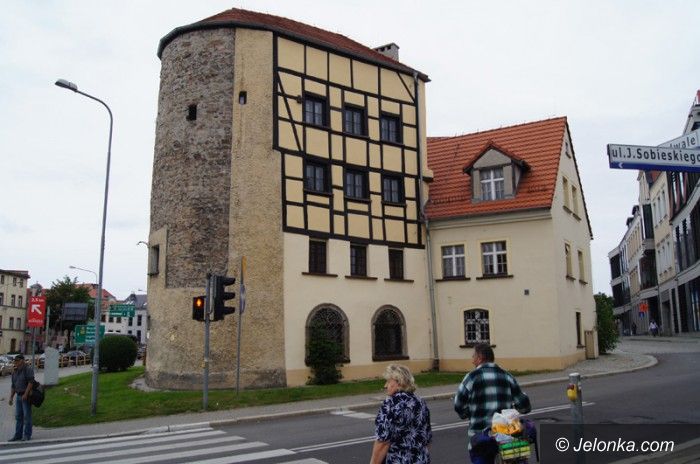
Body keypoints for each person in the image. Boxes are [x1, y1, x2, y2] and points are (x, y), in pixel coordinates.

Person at [454, 343, 531, 464]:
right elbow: (525, 407)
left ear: (480, 357)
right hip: (506, 440)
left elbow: (458, 405)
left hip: (480, 440)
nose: (472, 360)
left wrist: (470, 413)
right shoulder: (507, 376)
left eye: (473, 356)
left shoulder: (471, 378)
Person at [370, 364, 432, 463]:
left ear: (399, 383)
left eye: (388, 381)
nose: (385, 385)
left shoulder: (391, 404)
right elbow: (427, 438)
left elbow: (383, 442)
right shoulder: (420, 402)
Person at [8, 354, 34, 442]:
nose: (15, 362)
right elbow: (13, 386)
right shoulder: (15, 371)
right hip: (18, 396)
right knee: (18, 416)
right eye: (14, 361)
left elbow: (31, 382)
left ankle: (27, 435)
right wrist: (11, 397)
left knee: (27, 416)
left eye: (17, 361)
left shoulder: (28, 369)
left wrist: (26, 394)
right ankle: (18, 435)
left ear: (22, 361)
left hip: (26, 396)